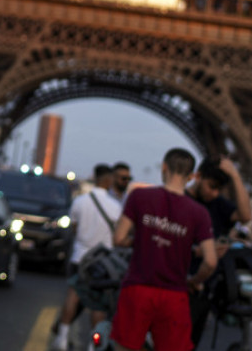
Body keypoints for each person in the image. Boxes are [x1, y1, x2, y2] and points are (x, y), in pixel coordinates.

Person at [110, 147, 217, 351]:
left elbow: (119, 238)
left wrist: (142, 240)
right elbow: (211, 261)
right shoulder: (199, 213)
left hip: (137, 288)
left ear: (164, 167)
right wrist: (194, 281)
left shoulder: (139, 197)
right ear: (192, 176)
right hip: (174, 295)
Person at [51, 164, 123, 351]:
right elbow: (119, 236)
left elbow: (74, 228)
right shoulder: (115, 206)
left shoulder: (80, 201)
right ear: (108, 180)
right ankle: (94, 345)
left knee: (72, 297)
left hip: (80, 257)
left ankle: (62, 339)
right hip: (103, 263)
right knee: (98, 306)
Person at [186, 155, 252, 345]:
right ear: (198, 176)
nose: (215, 193)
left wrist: (235, 175)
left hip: (203, 289)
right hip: (179, 285)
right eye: (212, 186)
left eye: (219, 189)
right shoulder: (181, 201)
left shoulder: (219, 205)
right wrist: (199, 251)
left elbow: (245, 215)